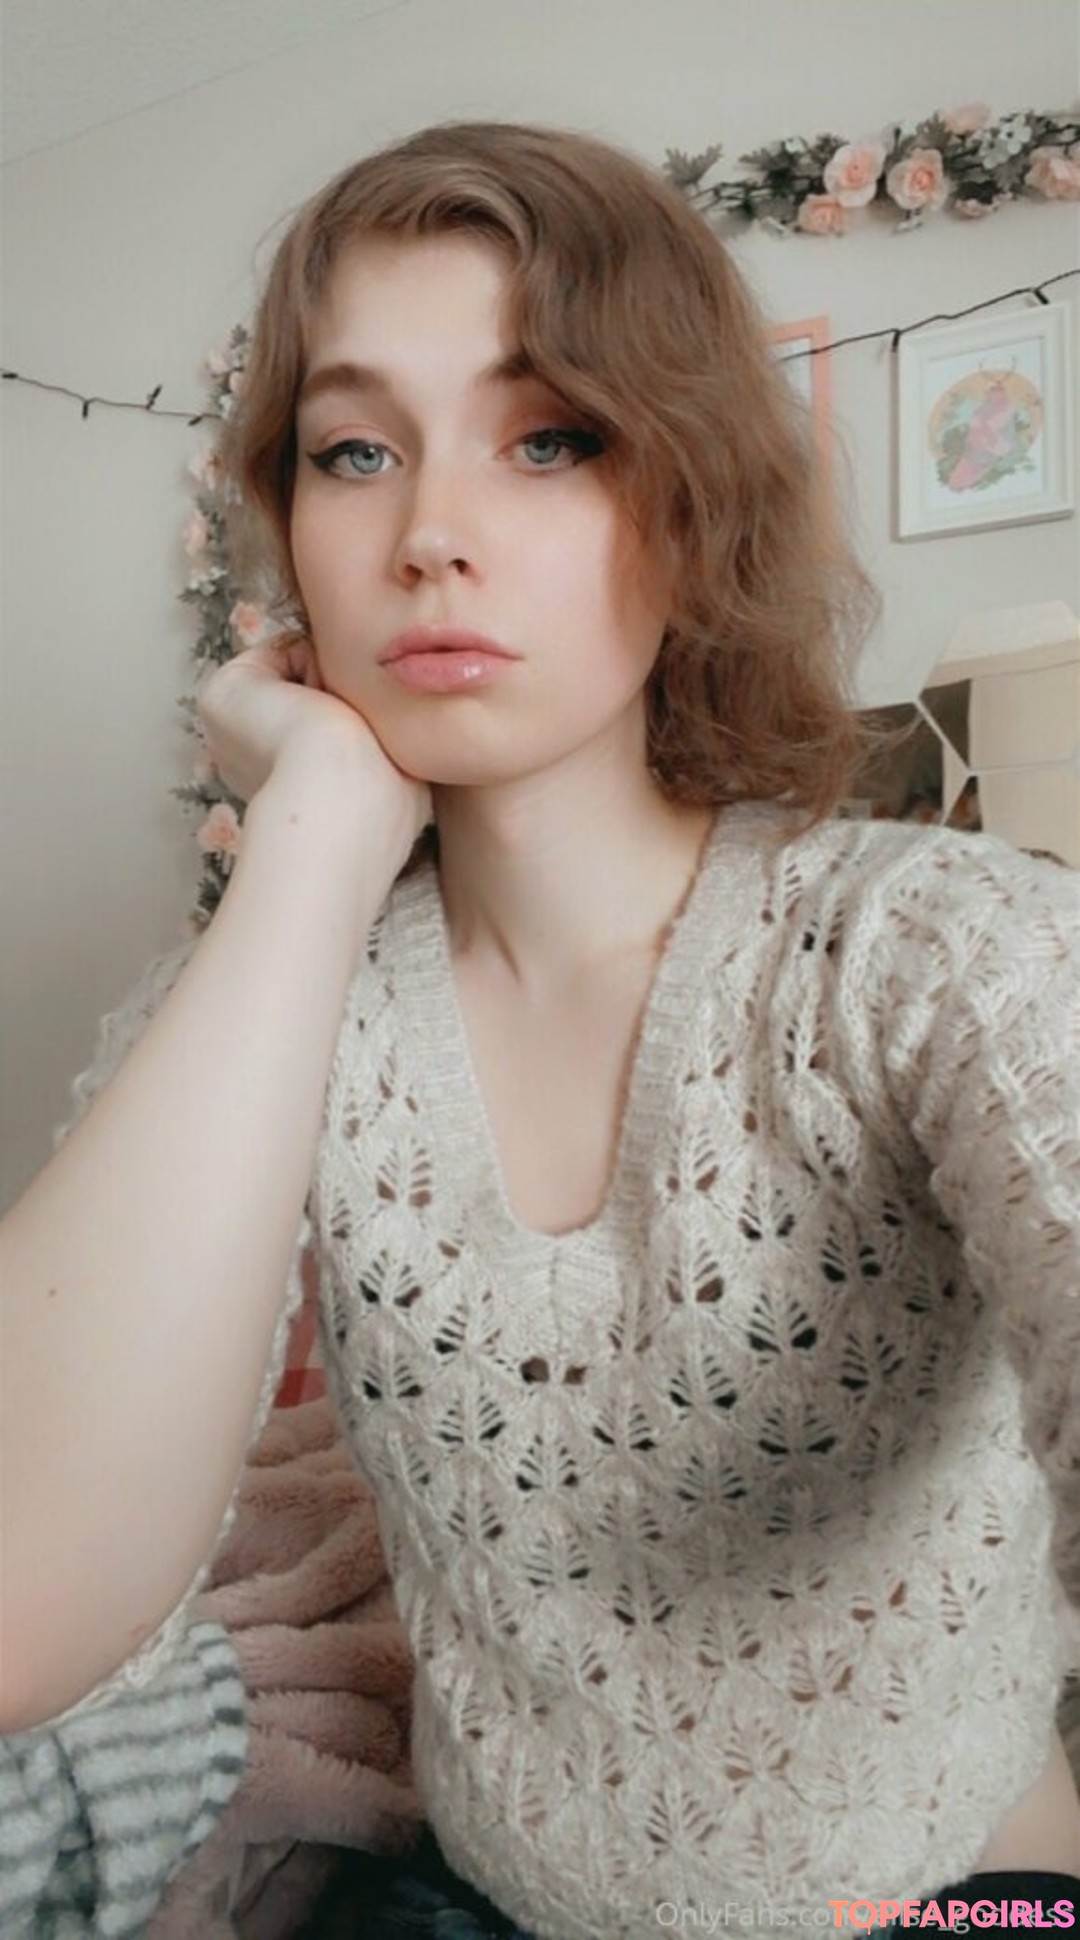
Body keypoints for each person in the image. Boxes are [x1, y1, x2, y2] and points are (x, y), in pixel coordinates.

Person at [3, 119, 1079, 1938]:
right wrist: (316, 844)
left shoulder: (941, 957)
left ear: (693, 491)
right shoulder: (272, 999)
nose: (430, 536)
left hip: (951, 1900)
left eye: (552, 437)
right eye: (356, 452)